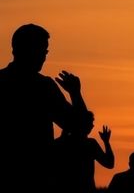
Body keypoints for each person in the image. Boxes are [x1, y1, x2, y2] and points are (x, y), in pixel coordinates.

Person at [0, 23, 88, 191]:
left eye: (45, 51)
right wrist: (75, 94)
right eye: (41, 50)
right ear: (23, 49)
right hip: (37, 178)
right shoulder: (43, 87)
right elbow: (79, 127)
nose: (43, 56)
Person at [53, 109, 115, 192]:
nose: (92, 126)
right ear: (82, 124)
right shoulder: (90, 144)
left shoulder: (58, 143)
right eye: (90, 123)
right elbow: (109, 163)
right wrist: (106, 142)